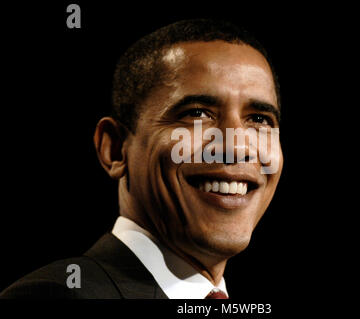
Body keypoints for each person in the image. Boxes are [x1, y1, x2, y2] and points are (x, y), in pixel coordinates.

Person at [0, 19, 283, 299]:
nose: (236, 146)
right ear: (115, 149)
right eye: (196, 113)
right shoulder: (57, 295)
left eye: (259, 119)